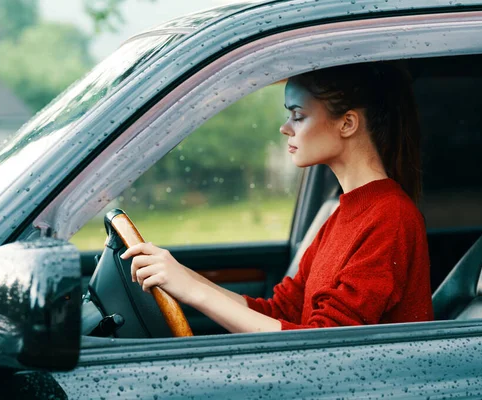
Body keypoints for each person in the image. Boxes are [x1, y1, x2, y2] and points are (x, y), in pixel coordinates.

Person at [121, 62, 434, 333]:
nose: (285, 128)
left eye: (298, 115)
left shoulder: (391, 218)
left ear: (347, 123)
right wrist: (181, 276)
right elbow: (281, 312)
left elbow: (328, 344)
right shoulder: (342, 215)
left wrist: (194, 291)